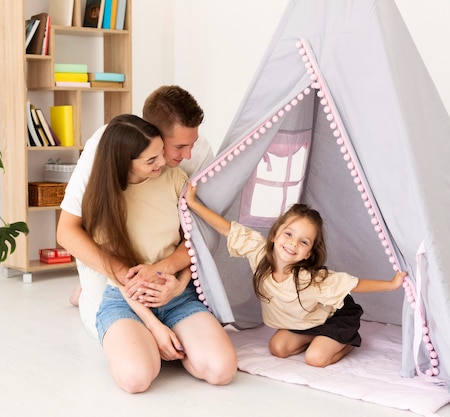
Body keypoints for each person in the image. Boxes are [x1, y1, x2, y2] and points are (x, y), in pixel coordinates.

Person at [81, 114, 237, 393]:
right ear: (123, 163)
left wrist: (178, 285)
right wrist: (154, 326)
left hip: (178, 296)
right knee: (136, 379)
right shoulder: (103, 200)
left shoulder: (175, 179)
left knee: (222, 370)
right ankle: (147, 342)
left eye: (159, 154)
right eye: (150, 161)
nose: (161, 163)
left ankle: (167, 343)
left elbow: (192, 243)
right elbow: (119, 275)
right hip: (127, 301)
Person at [183, 183, 407, 367]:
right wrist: (193, 203)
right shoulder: (259, 253)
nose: (292, 243)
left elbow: (353, 284)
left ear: (308, 252)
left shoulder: (310, 279)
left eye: (303, 242)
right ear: (274, 235)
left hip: (332, 317)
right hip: (304, 323)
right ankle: (314, 338)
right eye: (288, 234)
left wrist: (390, 285)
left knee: (316, 359)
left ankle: (344, 341)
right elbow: (228, 229)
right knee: (277, 349)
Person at [57, 85, 213, 338]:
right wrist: (132, 281)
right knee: (111, 325)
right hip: (112, 255)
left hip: (164, 255)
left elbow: (201, 232)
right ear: (154, 137)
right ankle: (86, 293)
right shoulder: (106, 145)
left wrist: (175, 279)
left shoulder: (198, 152)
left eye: (192, 143)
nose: (188, 154)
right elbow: (67, 231)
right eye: (179, 147)